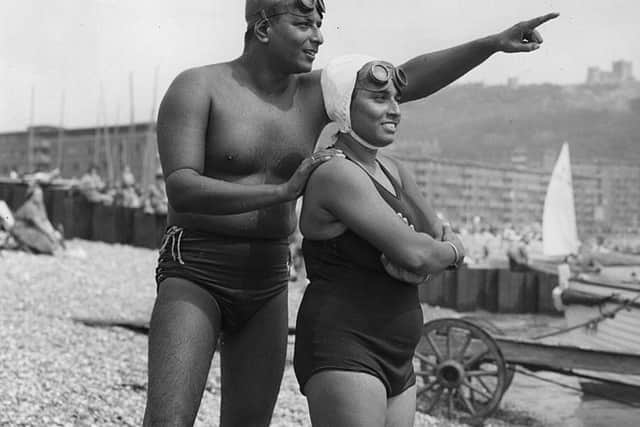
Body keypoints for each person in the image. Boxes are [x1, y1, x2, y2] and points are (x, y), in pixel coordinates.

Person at [144, 1, 558, 425]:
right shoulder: (199, 87)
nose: (318, 36)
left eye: (320, 25)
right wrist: (283, 191)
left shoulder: (310, 95)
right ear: (264, 27)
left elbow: (404, 80)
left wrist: (491, 44)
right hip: (197, 267)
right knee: (168, 422)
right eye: (304, 24)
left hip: (267, 276)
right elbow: (182, 187)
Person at [292, 55, 465, 427]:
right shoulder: (337, 172)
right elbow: (422, 252)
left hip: (399, 354)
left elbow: (433, 237)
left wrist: (433, 253)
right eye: (378, 98)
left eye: (396, 99)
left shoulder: (393, 169)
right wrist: (453, 252)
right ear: (344, 107)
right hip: (345, 345)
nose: (394, 110)